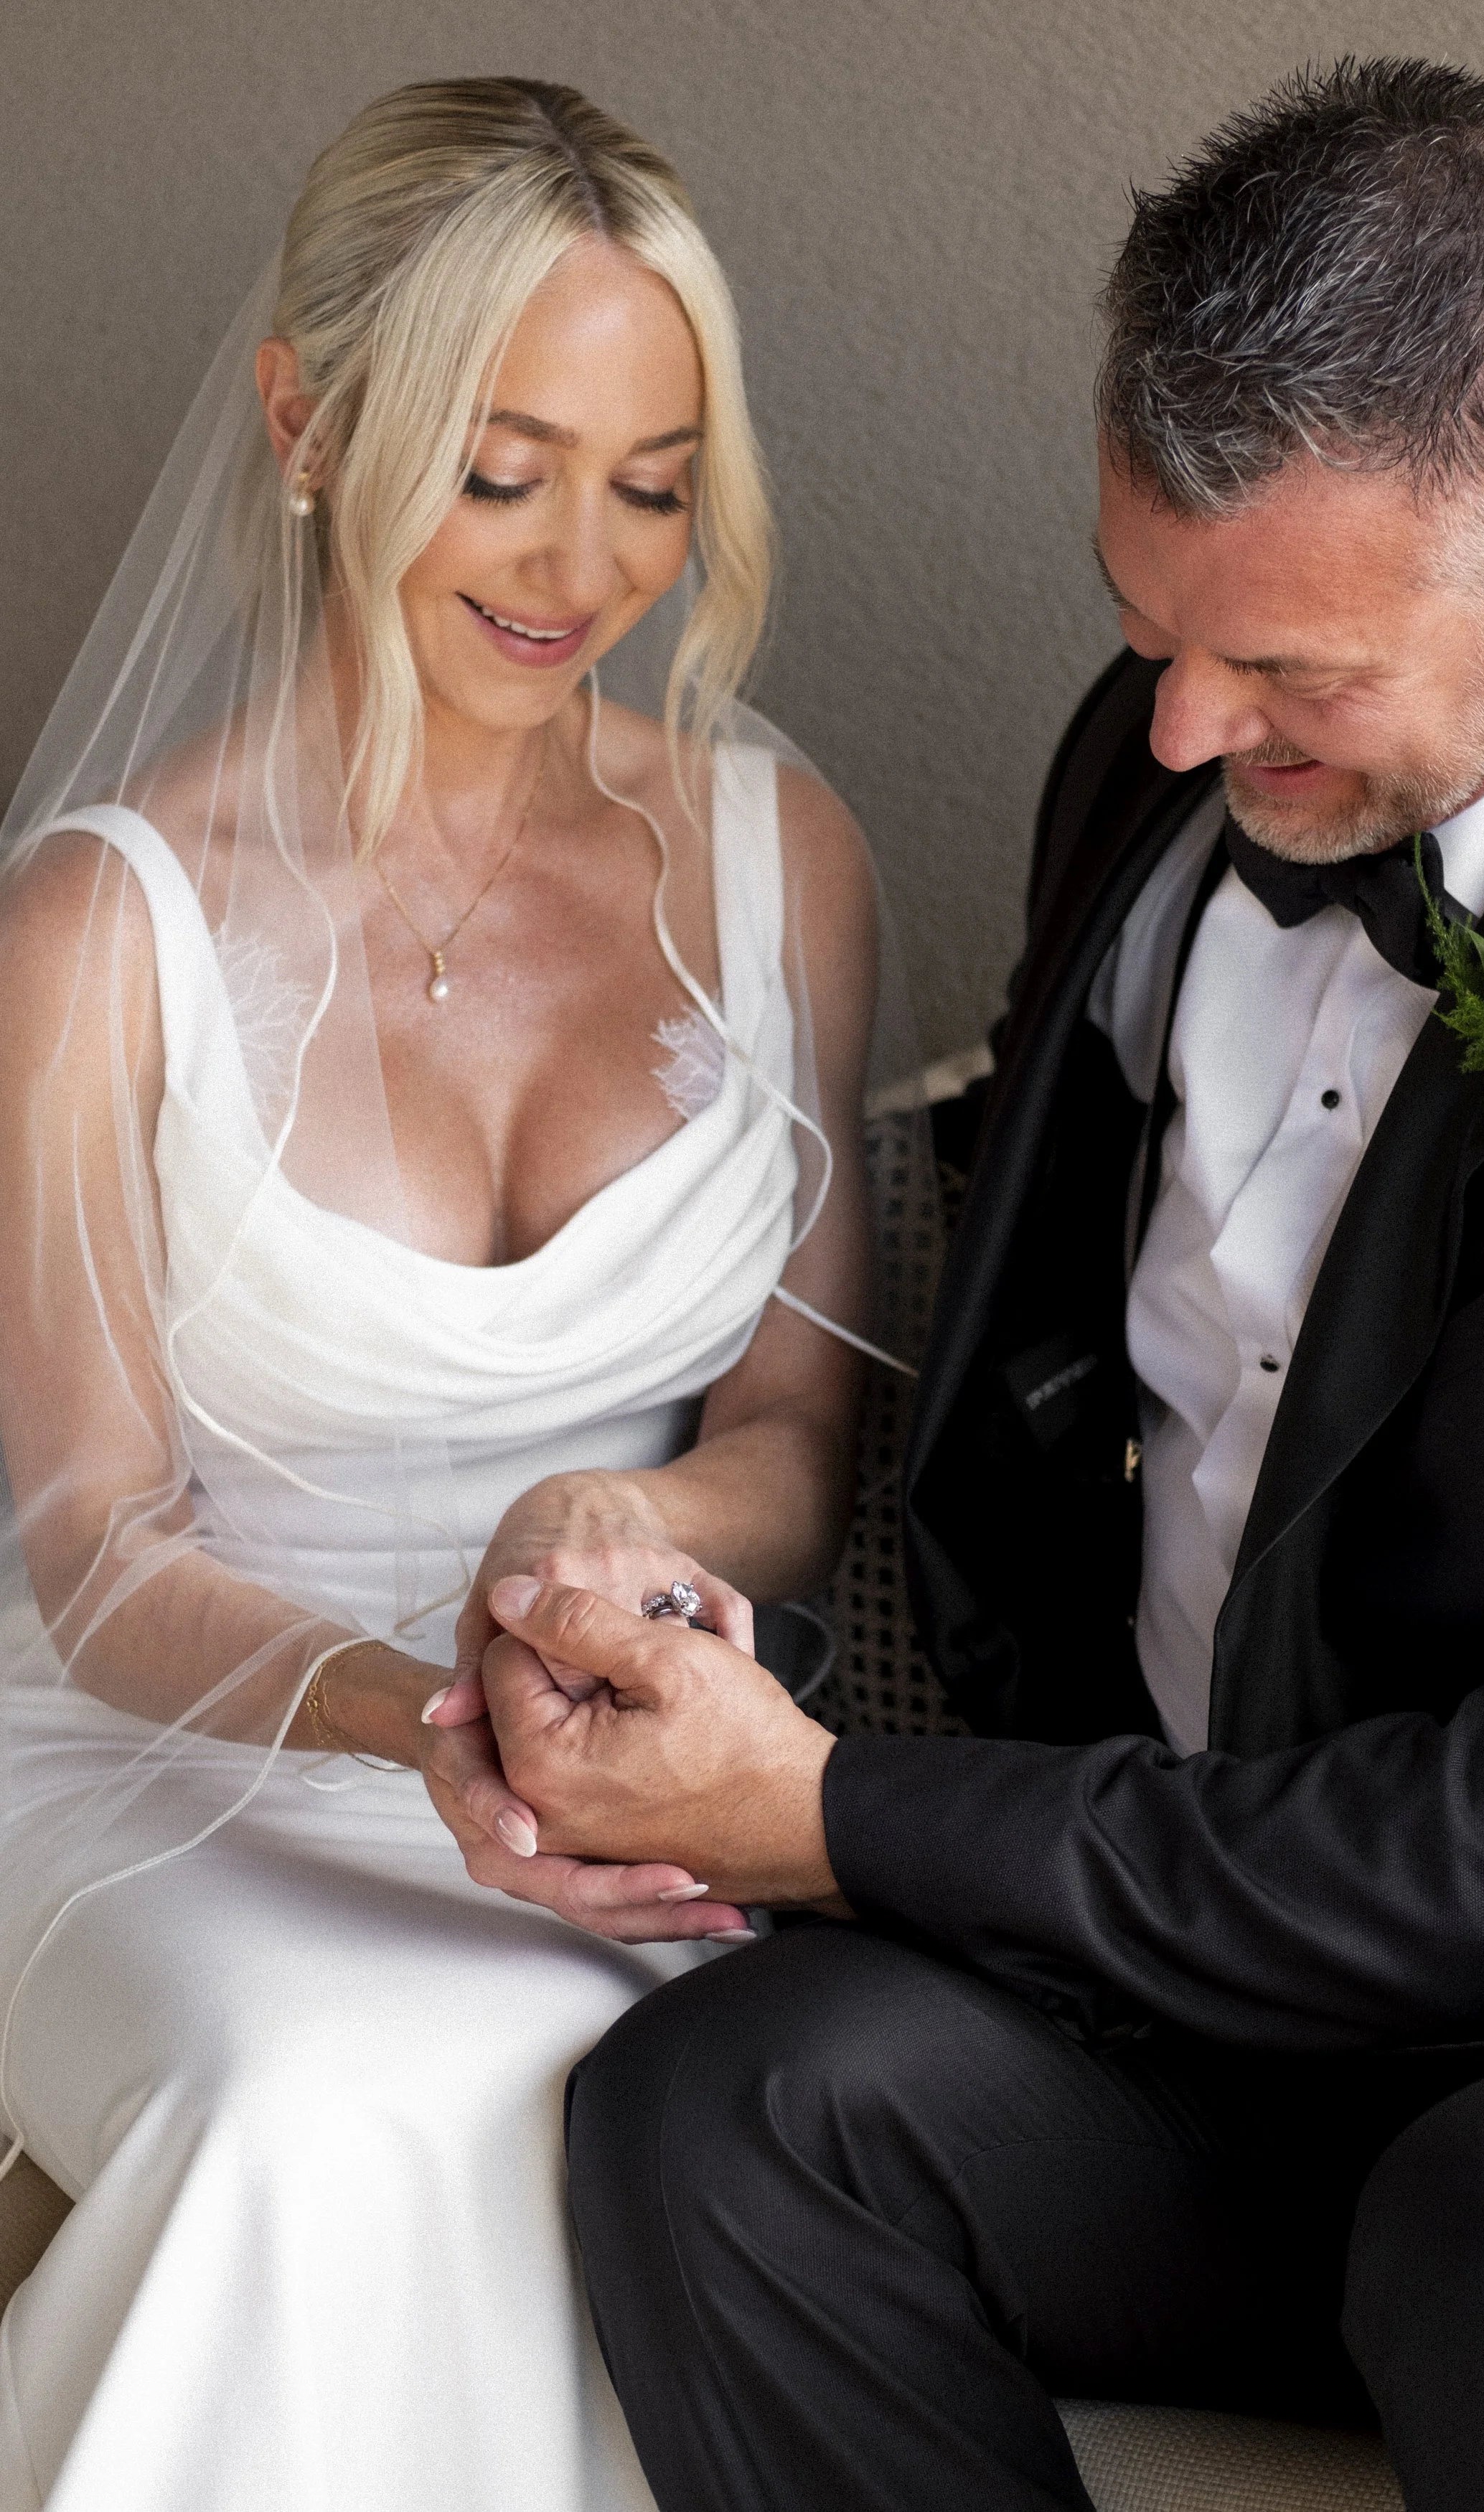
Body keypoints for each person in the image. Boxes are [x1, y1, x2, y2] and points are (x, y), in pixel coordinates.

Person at [472, 60, 1484, 2512]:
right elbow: (1036, 1430)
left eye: (1283, 667)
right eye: (1143, 626)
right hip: (1201, 1963)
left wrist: (857, 1821)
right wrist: (698, 1684)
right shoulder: (1167, 759)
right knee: (723, 2104)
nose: (1184, 727)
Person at [0, 74, 910, 2512]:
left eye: (647, 476)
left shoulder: (771, 846)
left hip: (633, 1763)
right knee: (320, 2109)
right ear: (311, 424)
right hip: (188, 1762)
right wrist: (430, 1720)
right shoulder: (103, 928)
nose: (576, 561)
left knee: (726, 2091)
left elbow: (801, 1443)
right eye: (500, 467)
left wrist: (607, 1534)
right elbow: (90, 1542)